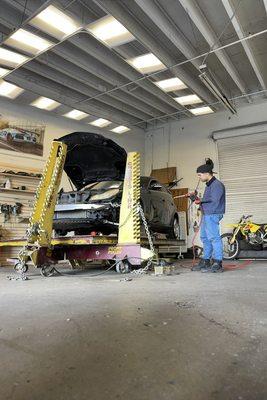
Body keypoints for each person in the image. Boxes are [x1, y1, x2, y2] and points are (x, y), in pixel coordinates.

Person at [191, 158, 226, 273]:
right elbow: (206, 200)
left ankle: (218, 262)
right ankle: (206, 260)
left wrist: (200, 200)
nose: (199, 177)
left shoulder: (217, 185)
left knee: (214, 238)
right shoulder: (209, 185)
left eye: (200, 175)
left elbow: (214, 200)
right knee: (205, 238)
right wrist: (195, 198)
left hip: (213, 214)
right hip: (207, 214)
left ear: (207, 174)